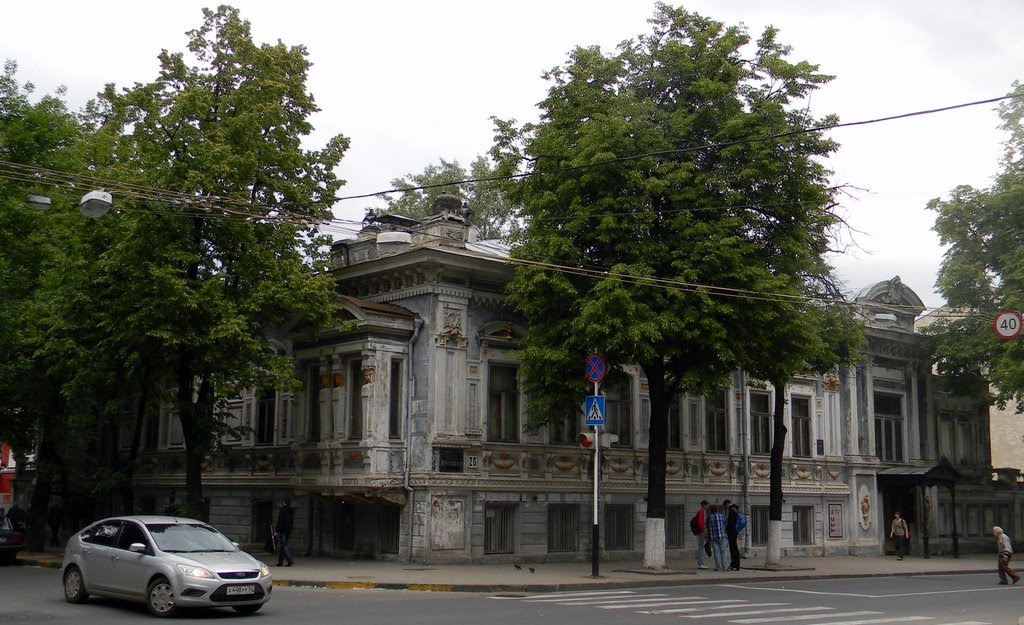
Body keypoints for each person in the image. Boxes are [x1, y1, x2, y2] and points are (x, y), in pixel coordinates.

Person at [706, 504, 729, 572]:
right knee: (723, 552)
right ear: (717, 510)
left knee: (716, 552)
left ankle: (718, 568)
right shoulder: (721, 516)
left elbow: (707, 526)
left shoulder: (709, 517)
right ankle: (724, 567)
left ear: (711, 511)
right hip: (722, 536)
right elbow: (726, 523)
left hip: (713, 537)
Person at [275, 498, 295, 567]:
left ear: (285, 503)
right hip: (289, 530)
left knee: (284, 545)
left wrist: (277, 530)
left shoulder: (283, 510)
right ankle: (280, 562)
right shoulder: (291, 510)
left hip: (283, 529)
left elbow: (281, 520)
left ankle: (290, 560)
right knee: (283, 545)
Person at [723, 498, 741, 571]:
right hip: (735, 531)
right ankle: (735, 564)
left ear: (727, 504)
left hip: (732, 532)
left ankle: (735, 565)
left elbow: (731, 522)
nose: (726, 508)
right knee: (734, 548)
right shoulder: (736, 509)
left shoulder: (731, 510)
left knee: (733, 548)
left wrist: (727, 526)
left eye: (725, 507)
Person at [693, 500, 709, 570]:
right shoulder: (701, 512)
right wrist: (703, 530)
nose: (708, 507)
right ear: (704, 505)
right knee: (701, 548)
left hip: (701, 531)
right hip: (701, 531)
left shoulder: (703, 512)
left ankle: (701, 563)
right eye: (707, 505)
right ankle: (700, 563)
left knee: (701, 547)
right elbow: (700, 523)